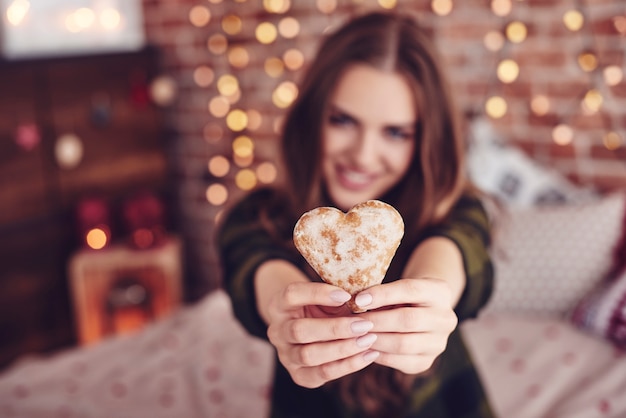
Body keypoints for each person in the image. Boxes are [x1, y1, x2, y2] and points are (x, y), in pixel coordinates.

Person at [217, 10, 494, 418]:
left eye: (396, 132)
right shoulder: (255, 216)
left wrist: (431, 295)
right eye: (343, 120)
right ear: (312, 117)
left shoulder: (456, 208)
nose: (363, 155)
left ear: (425, 140)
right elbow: (259, 270)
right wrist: (288, 308)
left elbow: (454, 250)